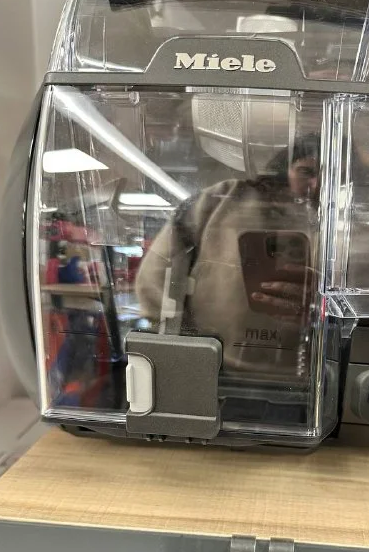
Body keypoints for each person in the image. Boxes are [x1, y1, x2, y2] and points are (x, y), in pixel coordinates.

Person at [136, 135, 321, 381]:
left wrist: (318, 309)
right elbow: (159, 271)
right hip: (215, 364)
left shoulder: (344, 225)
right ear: (283, 168)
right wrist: (178, 347)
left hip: (310, 373)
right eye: (306, 172)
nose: (316, 184)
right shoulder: (224, 198)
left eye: (329, 177)